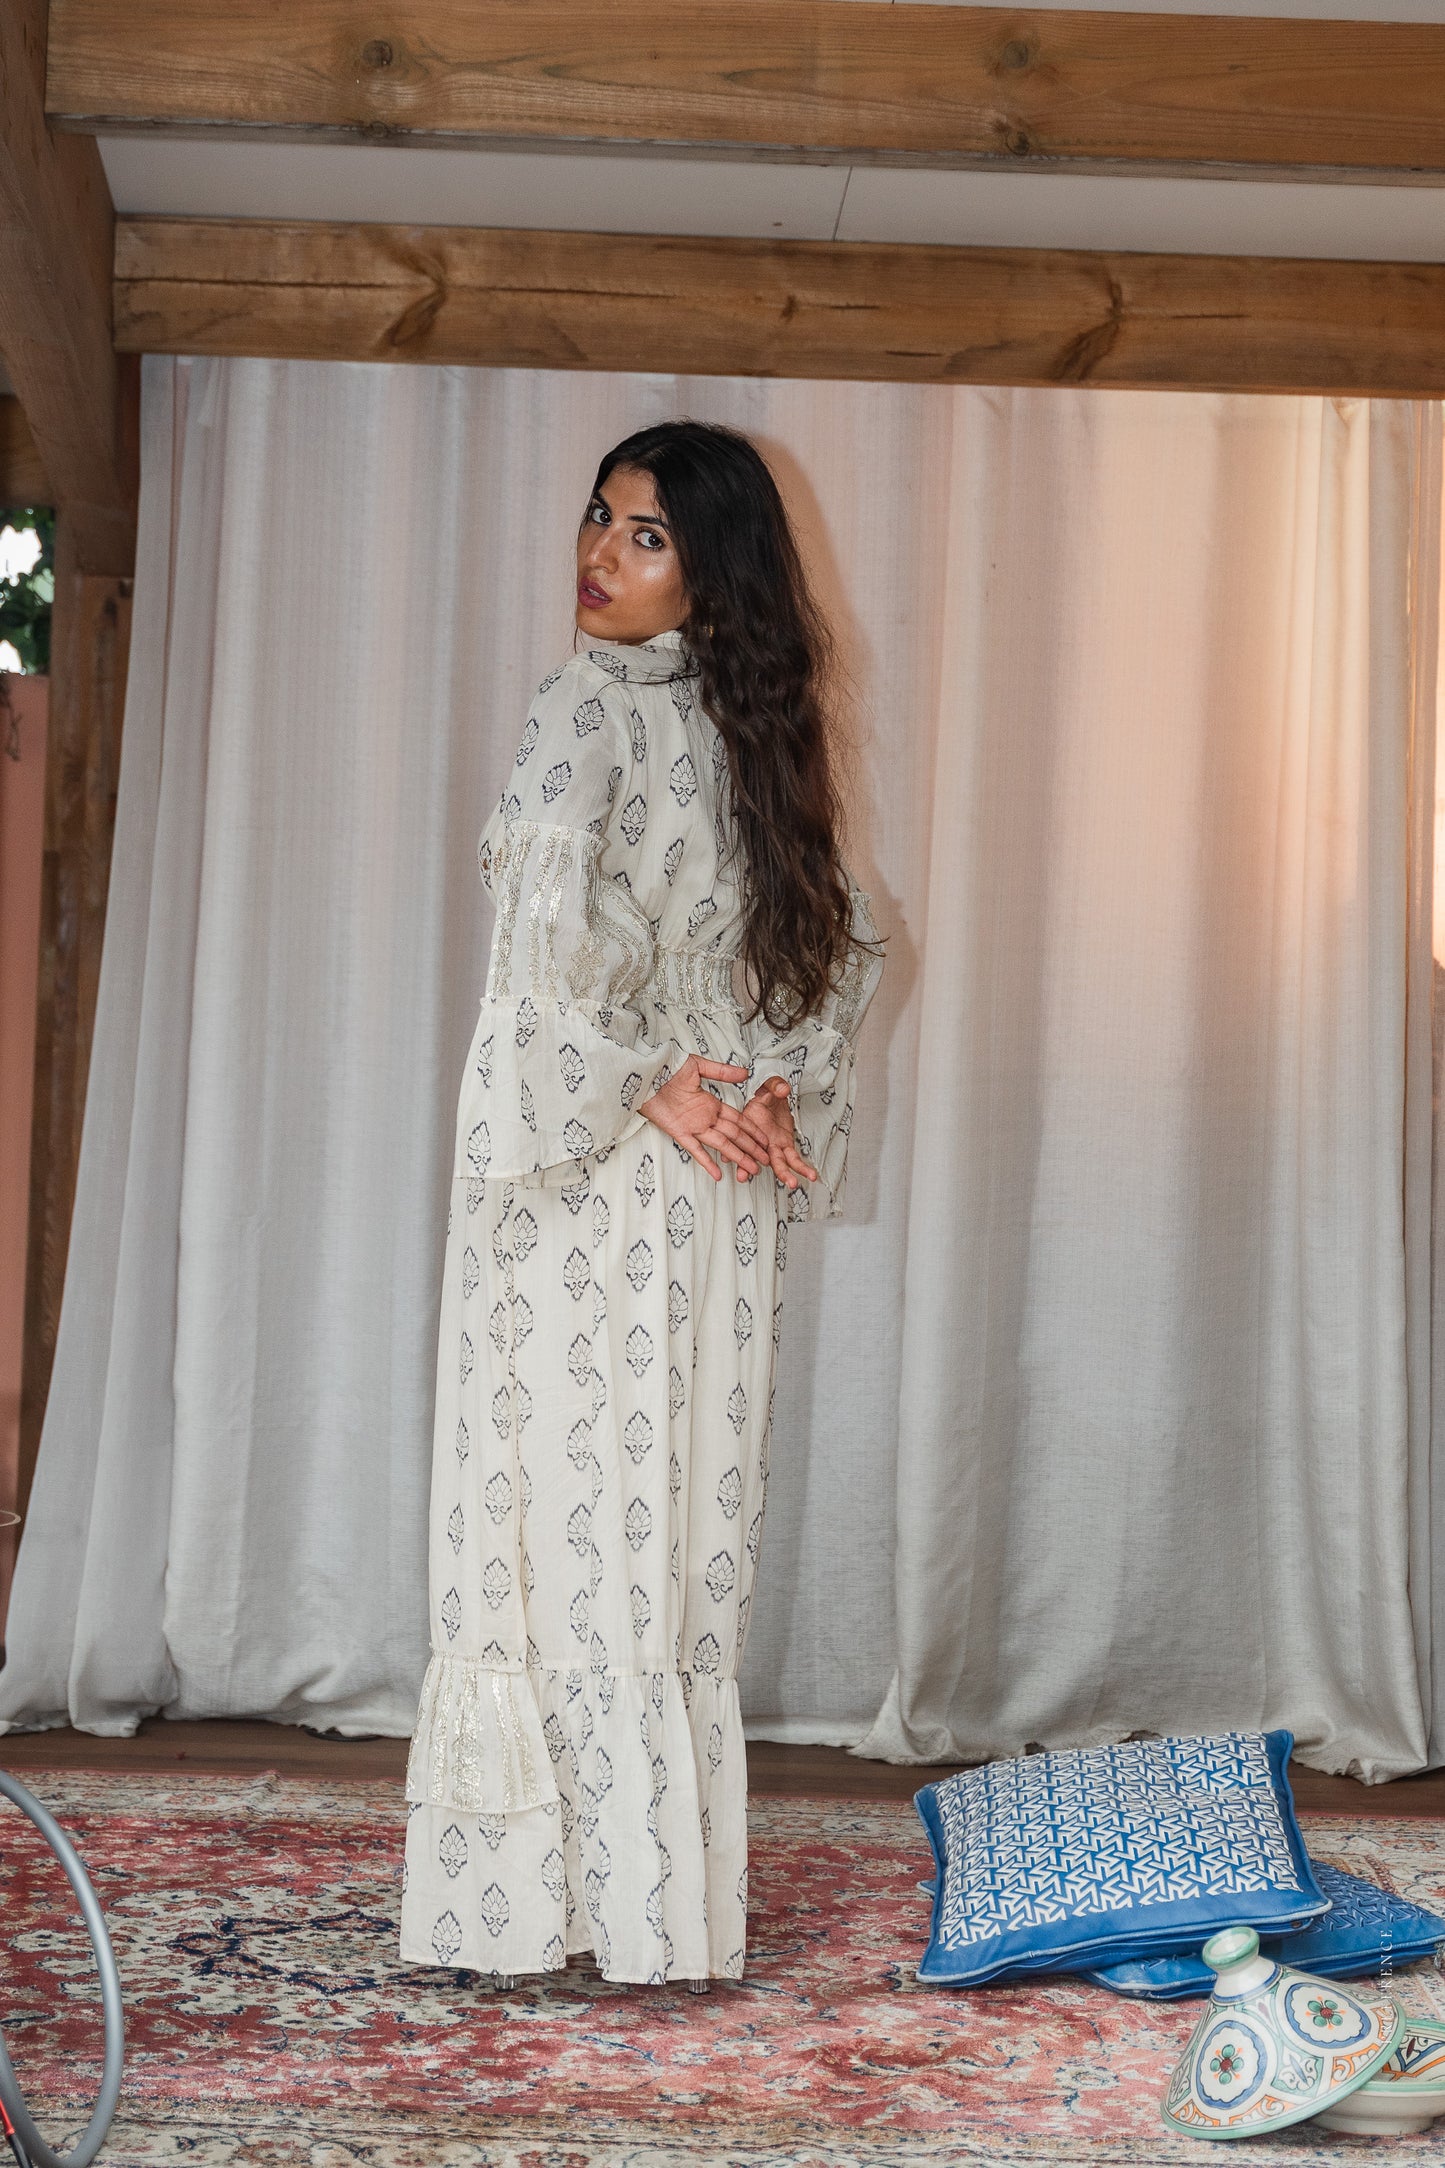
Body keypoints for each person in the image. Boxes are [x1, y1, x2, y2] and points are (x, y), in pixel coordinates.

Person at [400, 420, 885, 1988]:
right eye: (598, 520)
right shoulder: (751, 731)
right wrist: (753, 1087)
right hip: (694, 1187)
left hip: (591, 1175)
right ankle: (645, 1905)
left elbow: (543, 959)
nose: (599, 557)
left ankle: (542, 1901)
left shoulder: (594, 708)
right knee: (667, 1527)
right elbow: (822, 941)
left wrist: (666, 1083)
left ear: (711, 569)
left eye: (645, 535)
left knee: (550, 1520)